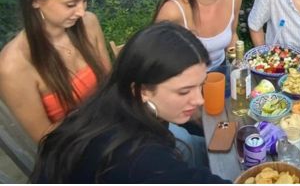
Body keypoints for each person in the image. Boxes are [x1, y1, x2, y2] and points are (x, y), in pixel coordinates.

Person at [30, 22, 228, 183]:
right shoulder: (140, 158)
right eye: (184, 91)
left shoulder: (111, 102)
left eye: (200, 85)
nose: (199, 99)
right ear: (141, 90)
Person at [0, 0, 110, 143]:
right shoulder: (13, 66)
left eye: (85, 1)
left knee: (178, 136)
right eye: (71, 4)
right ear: (34, 0)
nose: (82, 11)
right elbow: (45, 138)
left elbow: (111, 82)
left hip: (114, 126)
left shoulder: (89, 23)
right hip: (75, 147)